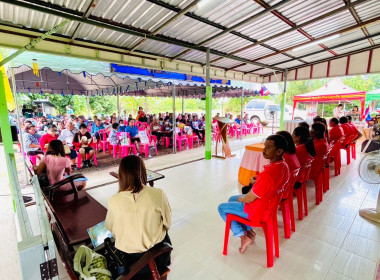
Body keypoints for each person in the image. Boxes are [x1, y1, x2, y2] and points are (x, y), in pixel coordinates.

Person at [218, 135, 290, 254]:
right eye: (264, 146)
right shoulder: (283, 166)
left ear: (279, 151)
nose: (264, 150)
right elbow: (270, 183)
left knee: (222, 207)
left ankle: (242, 236)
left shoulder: (268, 175)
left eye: (268, 147)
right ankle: (249, 231)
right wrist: (259, 179)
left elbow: (249, 199)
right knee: (232, 198)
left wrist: (241, 199)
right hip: (269, 205)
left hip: (258, 210)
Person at [105, 156, 171, 278]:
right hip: (157, 257)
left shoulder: (114, 200)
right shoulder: (157, 194)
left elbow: (110, 227)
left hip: (129, 262)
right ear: (143, 172)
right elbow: (167, 223)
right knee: (164, 232)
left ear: (122, 175)